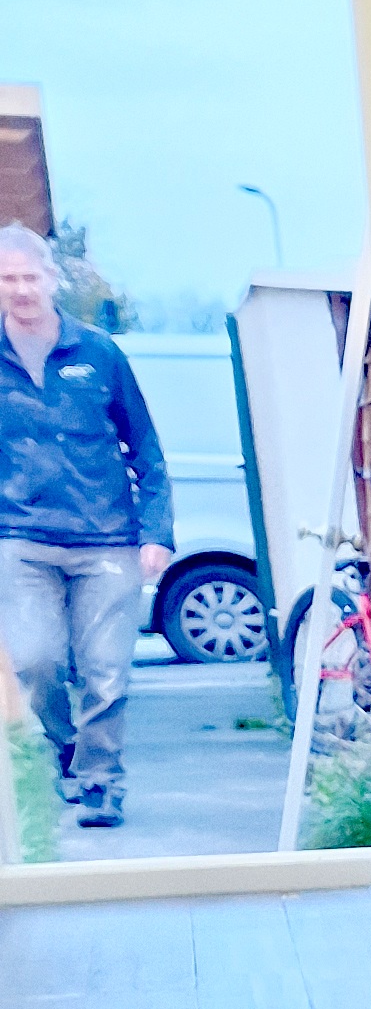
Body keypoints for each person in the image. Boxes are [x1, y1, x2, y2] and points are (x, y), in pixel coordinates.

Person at [0, 222, 173, 830]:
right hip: (21, 540)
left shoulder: (99, 353)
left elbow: (145, 448)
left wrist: (157, 531)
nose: (21, 289)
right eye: (8, 279)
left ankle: (101, 783)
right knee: (36, 663)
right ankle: (67, 750)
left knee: (105, 669)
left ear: (52, 279)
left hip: (106, 540)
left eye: (30, 277)